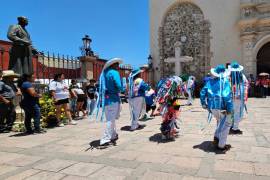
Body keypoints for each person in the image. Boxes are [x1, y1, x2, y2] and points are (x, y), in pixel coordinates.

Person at [200, 65, 233, 152]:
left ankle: (216, 138)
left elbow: (202, 92)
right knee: (226, 125)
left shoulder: (209, 82)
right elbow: (226, 96)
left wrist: (204, 104)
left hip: (212, 107)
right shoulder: (225, 82)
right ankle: (221, 145)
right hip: (223, 108)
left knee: (220, 123)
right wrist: (229, 109)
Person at [96, 58, 123, 146]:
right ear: (113, 64)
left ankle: (113, 135)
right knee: (110, 119)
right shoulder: (114, 72)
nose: (118, 66)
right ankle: (105, 138)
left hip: (106, 100)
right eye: (117, 64)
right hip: (113, 98)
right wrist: (122, 90)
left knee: (110, 118)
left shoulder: (103, 74)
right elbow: (118, 85)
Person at [156, 76, 182, 140]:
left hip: (164, 105)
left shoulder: (165, 87)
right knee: (171, 119)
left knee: (165, 119)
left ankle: (164, 134)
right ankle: (170, 134)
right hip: (171, 105)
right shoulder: (172, 89)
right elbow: (175, 100)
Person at [228, 61, 249, 135]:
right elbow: (246, 84)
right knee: (237, 113)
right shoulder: (242, 76)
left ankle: (229, 126)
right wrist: (243, 95)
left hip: (230, 98)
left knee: (230, 113)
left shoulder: (228, 76)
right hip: (239, 98)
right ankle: (235, 128)